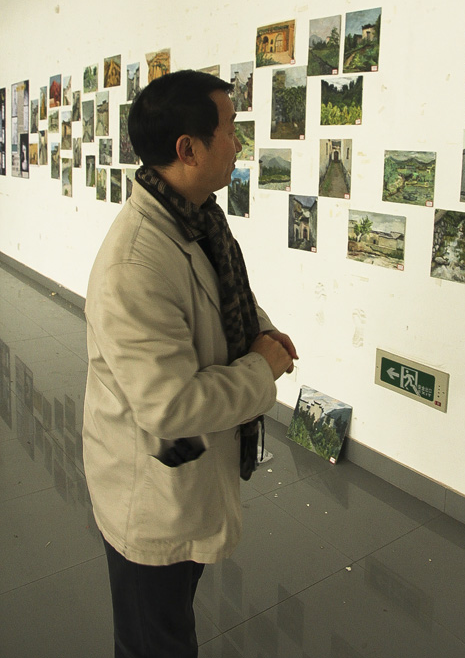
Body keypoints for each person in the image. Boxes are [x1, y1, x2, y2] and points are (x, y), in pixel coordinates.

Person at [82, 70, 297, 658]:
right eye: (229, 129)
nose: (238, 143)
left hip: (186, 479)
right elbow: (170, 406)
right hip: (150, 494)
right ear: (189, 149)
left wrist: (261, 330)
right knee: (154, 642)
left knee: (168, 621)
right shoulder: (135, 266)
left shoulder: (197, 219)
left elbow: (226, 293)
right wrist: (261, 369)